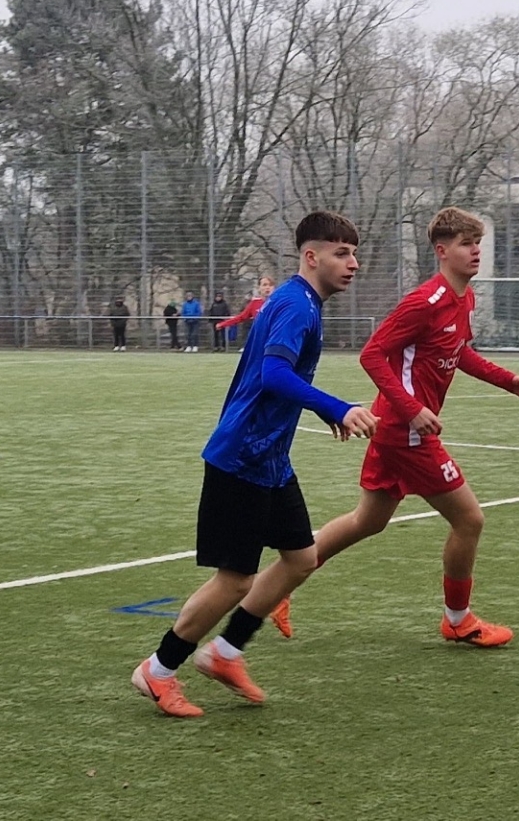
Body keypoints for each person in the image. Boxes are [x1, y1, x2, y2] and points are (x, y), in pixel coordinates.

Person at [130, 211, 376, 718]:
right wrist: (336, 407)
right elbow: (273, 376)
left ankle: (225, 652)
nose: (353, 263)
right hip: (241, 457)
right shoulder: (296, 305)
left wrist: (317, 410)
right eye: (342, 253)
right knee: (236, 579)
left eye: (354, 253)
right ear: (311, 257)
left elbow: (280, 379)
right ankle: (158, 669)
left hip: (269, 460)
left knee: (301, 558)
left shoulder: (300, 301)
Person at [259, 207, 519, 647]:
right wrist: (411, 409)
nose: (475, 252)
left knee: (366, 521)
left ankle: (280, 586)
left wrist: (508, 381)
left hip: (394, 427)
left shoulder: (464, 299)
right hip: (406, 432)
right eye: (466, 244)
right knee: (469, 520)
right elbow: (372, 354)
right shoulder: (424, 302)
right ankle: (458, 620)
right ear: (442, 251)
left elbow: (460, 352)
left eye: (477, 244)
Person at [218, 277, 276, 349]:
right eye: (264, 285)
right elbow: (241, 317)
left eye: (270, 285)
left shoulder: (279, 302)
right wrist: (223, 324)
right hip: (260, 339)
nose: (268, 287)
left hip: (275, 338)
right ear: (259, 288)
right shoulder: (254, 303)